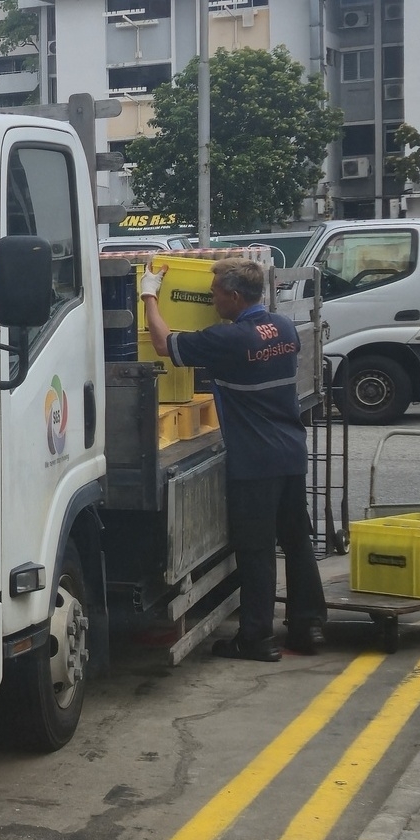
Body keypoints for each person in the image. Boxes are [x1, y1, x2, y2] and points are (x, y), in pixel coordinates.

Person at [141, 256, 325, 660]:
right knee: (297, 541)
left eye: (216, 294)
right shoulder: (284, 328)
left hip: (255, 461)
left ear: (235, 297)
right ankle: (308, 626)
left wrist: (149, 295)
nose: (212, 300)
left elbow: (162, 344)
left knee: (256, 549)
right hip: (291, 452)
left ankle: (257, 638)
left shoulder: (229, 340)